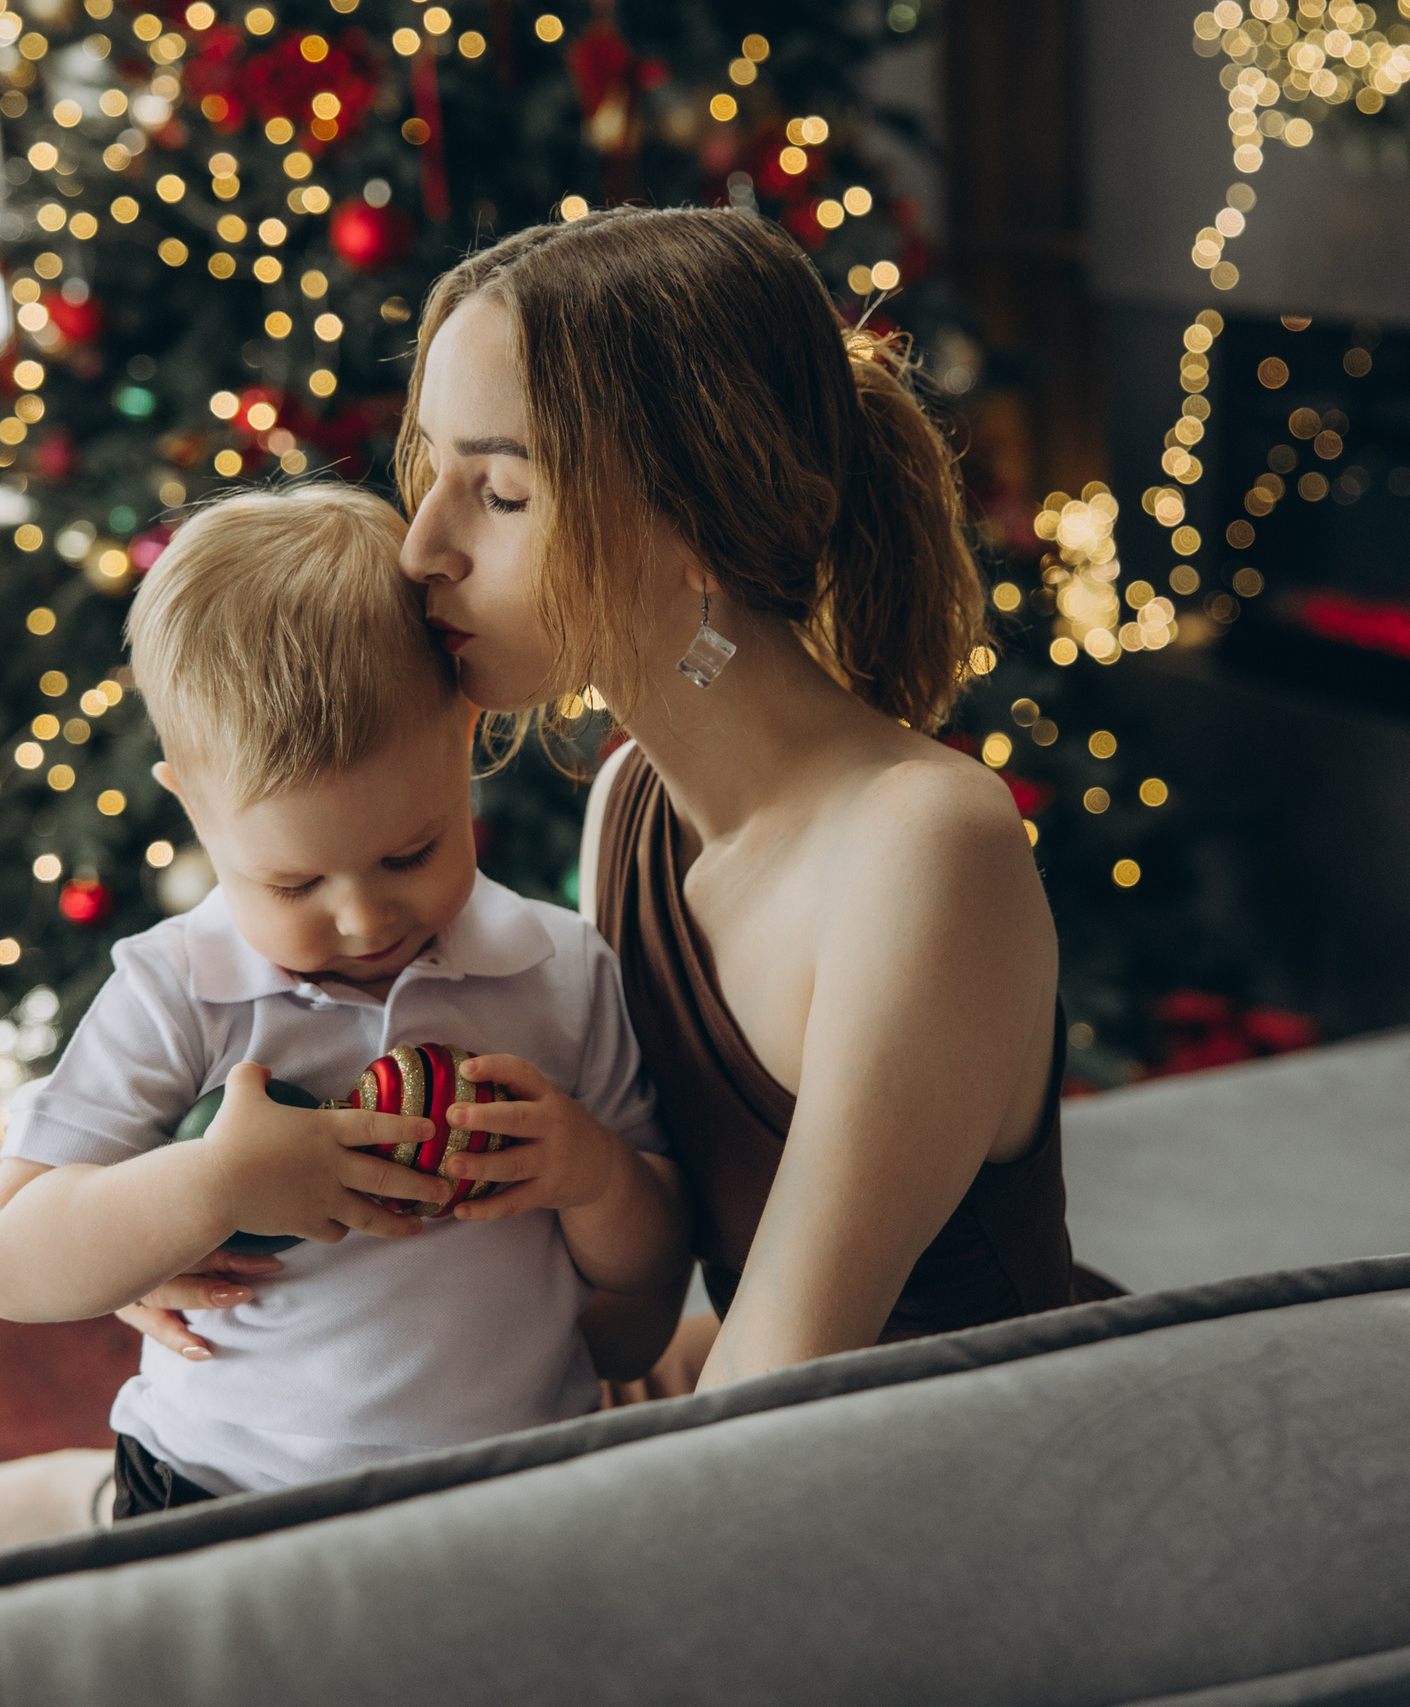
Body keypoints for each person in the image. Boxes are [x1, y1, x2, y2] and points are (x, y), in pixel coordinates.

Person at [127, 208, 1097, 1395]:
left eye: (501, 492)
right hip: (764, 1418)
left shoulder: (923, 842)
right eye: (433, 470)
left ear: (699, 518)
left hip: (949, 1455)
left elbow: (771, 1394)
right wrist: (184, 1222)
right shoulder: (632, 804)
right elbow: (603, 1301)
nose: (420, 548)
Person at [0, 485, 686, 1514]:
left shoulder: (560, 969)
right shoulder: (180, 988)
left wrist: (592, 1172)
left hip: (510, 1490)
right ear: (195, 810)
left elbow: (651, 1275)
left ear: (465, 738)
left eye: (411, 852)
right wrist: (210, 1186)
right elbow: (8, 1264)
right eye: (296, 883)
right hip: (216, 1488)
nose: (362, 919)